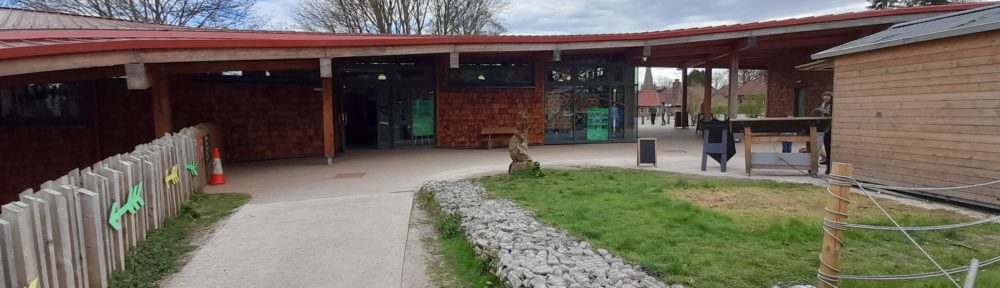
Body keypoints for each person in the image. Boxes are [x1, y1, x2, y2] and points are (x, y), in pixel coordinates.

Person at [813, 91, 833, 173]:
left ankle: (828, 167)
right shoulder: (824, 104)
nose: (825, 99)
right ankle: (827, 166)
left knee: (824, 147)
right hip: (824, 128)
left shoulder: (832, 105)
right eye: (824, 98)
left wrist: (823, 112)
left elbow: (829, 114)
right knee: (823, 147)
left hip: (829, 127)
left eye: (827, 97)